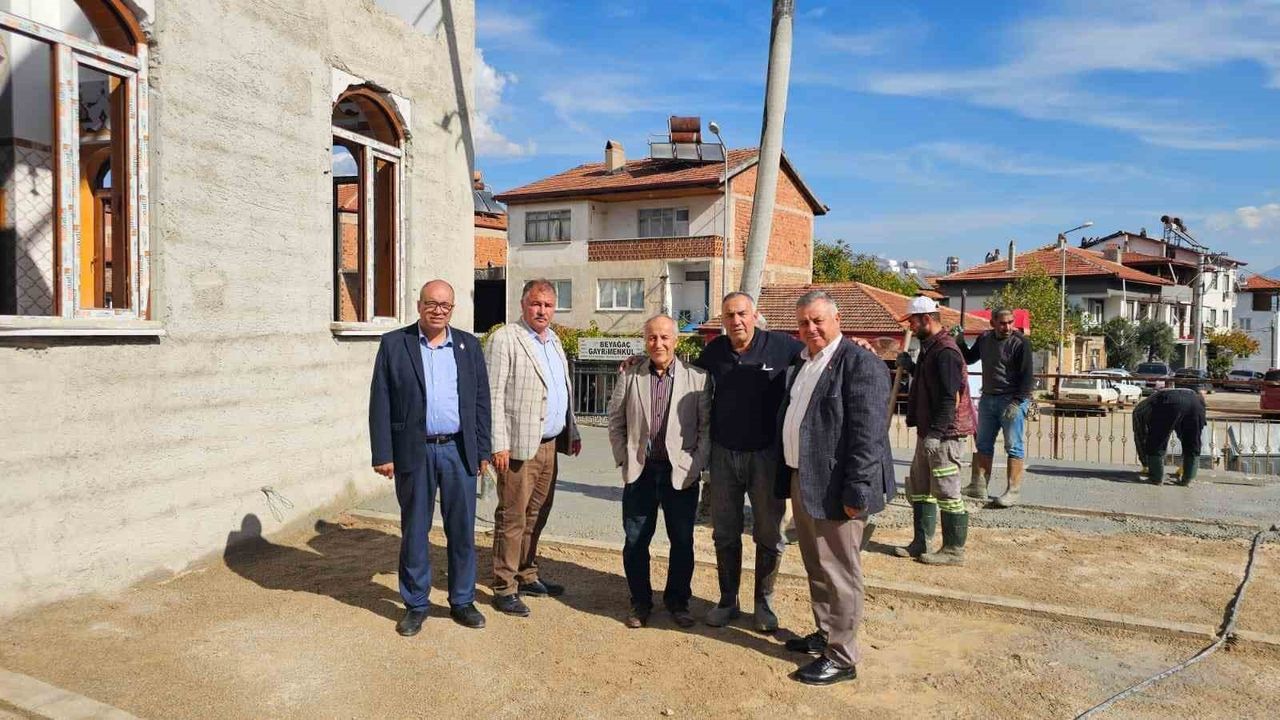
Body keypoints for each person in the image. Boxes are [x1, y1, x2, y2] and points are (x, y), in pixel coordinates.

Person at [777, 290, 896, 686]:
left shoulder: (860, 364)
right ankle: (827, 634)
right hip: (805, 480)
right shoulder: (805, 363)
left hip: (838, 488)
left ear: (837, 320)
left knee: (841, 572)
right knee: (817, 566)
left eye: (818, 321)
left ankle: (843, 657)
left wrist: (856, 492)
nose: (810, 328)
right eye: (804, 323)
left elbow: (869, 436)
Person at [369, 280, 490, 635]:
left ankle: (463, 600)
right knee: (415, 530)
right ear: (419, 305)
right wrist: (383, 452)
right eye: (432, 304)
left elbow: (480, 401)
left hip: (458, 450)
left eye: (445, 305)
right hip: (414, 451)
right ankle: (416, 603)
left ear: (453, 309)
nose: (438, 310)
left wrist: (482, 449)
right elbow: (381, 401)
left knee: (462, 530)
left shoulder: (469, 345)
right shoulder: (395, 344)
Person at [694, 292, 804, 631]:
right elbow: (683, 374)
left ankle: (763, 603)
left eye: (742, 313)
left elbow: (822, 353)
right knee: (724, 533)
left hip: (766, 457)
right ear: (723, 320)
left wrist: (859, 347)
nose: (736, 321)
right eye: (729, 315)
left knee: (769, 534)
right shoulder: (715, 351)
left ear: (755, 315)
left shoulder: (782, 346)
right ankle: (728, 601)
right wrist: (638, 362)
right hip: (724, 456)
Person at [485, 279, 582, 617]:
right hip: (516, 448)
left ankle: (526, 573)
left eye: (548, 305)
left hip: (550, 445)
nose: (542, 310)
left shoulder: (554, 340)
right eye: (536, 304)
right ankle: (504, 586)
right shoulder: (505, 339)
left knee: (536, 514)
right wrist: (497, 443)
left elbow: (561, 390)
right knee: (512, 517)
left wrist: (573, 431)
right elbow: (492, 396)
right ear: (523, 304)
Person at [608, 315, 711, 629]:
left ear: (676, 341)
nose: (659, 344)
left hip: (680, 474)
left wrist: (693, 467)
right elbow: (615, 421)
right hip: (641, 472)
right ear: (645, 340)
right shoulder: (631, 375)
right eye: (652, 338)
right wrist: (625, 461)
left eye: (665, 337)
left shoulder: (699, 378)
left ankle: (678, 601)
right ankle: (640, 601)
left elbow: (707, 430)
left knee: (682, 541)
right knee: (636, 540)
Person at [894, 296, 975, 565]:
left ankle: (953, 549)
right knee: (920, 488)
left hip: (944, 435)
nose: (911, 328)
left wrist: (936, 434)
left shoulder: (946, 352)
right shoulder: (930, 348)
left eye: (913, 322)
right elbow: (931, 382)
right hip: (928, 432)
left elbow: (948, 398)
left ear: (927, 319)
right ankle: (921, 542)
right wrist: (912, 368)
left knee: (947, 490)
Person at [956, 308, 1034, 507]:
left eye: (1010, 322)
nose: (1007, 327)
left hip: (1011, 399)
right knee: (983, 443)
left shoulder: (1020, 343)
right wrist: (960, 342)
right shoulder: (984, 339)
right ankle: (978, 485)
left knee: (1013, 446)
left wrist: (1017, 402)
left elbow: (1027, 377)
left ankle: (1013, 491)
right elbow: (970, 358)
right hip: (989, 397)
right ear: (992, 323)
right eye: (1002, 323)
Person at [1132, 387, 1207, 486]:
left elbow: (1140, 433)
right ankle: (1188, 479)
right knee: (1192, 441)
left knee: (1157, 441)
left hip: (1169, 402)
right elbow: (1186, 433)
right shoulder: (1156, 399)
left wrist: (1145, 461)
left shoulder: (1142, 408)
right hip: (1195, 403)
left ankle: (1156, 478)